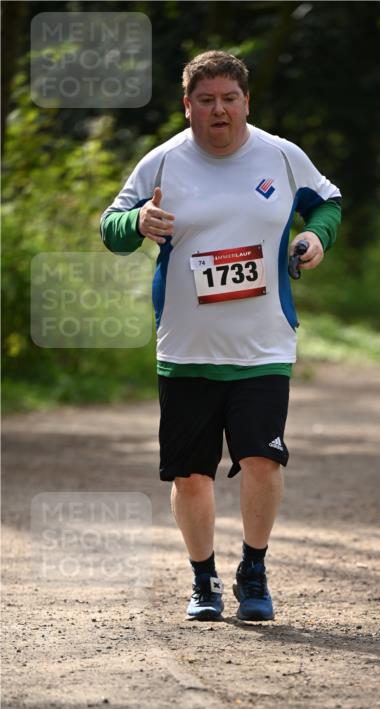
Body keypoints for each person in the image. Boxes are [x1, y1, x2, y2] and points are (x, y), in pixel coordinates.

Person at [100, 51, 341, 623]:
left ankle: (252, 569)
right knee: (191, 474)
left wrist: (316, 240)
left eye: (229, 99)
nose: (219, 110)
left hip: (265, 344)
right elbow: (111, 227)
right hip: (186, 348)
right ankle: (203, 578)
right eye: (205, 100)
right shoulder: (161, 164)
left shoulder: (281, 157)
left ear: (246, 102)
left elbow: (327, 202)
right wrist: (136, 223)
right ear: (187, 107)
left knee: (263, 461)